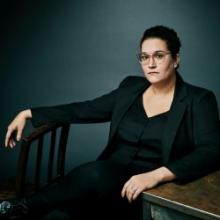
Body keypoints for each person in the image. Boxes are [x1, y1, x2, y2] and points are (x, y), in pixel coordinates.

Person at [1, 25, 220, 220]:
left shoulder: (199, 99)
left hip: (150, 186)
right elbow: (85, 109)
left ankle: (23, 207)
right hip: (106, 176)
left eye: (159, 56)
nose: (150, 63)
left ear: (176, 59)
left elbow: (211, 151)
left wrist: (156, 175)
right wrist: (29, 113)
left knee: (89, 181)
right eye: (144, 57)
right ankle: (25, 208)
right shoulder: (130, 88)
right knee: (90, 183)